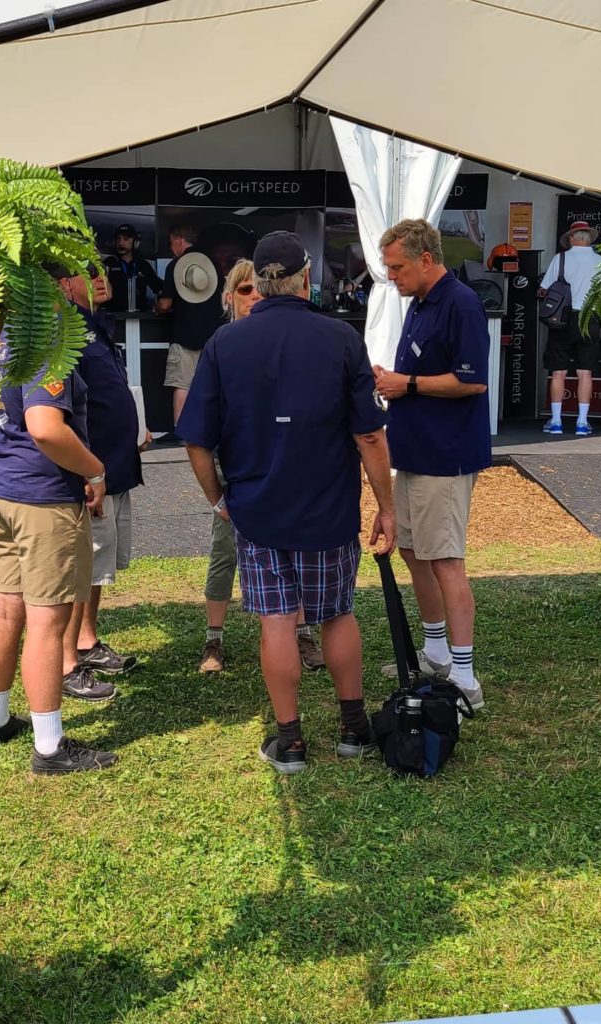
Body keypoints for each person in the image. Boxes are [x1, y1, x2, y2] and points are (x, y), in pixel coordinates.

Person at [178, 231, 396, 774]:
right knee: (337, 614)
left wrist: (218, 500)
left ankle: (290, 742)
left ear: (260, 280)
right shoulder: (340, 338)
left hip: (257, 511)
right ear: (305, 278)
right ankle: (353, 729)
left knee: (276, 621)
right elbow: (370, 435)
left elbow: (196, 440)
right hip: (329, 509)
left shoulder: (225, 344)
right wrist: (387, 506)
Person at [0, 317, 118, 775]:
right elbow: (45, 428)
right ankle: (49, 747)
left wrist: (4, 452)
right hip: (43, 500)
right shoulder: (45, 339)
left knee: (6, 607)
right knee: (47, 620)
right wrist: (95, 470)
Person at [373, 218, 490, 711]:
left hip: (445, 456)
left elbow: (473, 380)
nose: (391, 276)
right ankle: (437, 651)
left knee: (444, 559)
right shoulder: (420, 302)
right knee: (413, 551)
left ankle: (464, 678)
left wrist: (407, 384)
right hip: (415, 452)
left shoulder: (461, 303)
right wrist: (395, 381)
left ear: (425, 259)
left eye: (397, 267)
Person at [198, 259, 325, 675]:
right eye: (243, 290)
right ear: (228, 298)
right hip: (238, 470)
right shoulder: (221, 346)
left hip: (289, 466)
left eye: (257, 288)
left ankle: (301, 633)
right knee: (225, 551)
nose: (252, 296)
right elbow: (203, 422)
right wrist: (216, 492)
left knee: (295, 550)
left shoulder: (284, 340)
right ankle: (213, 640)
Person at [56, 263, 150, 683]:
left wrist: (136, 424)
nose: (100, 277)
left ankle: (86, 640)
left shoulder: (96, 324)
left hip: (116, 466)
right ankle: (68, 657)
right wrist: (84, 470)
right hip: (92, 473)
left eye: (102, 270)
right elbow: (63, 410)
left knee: (99, 566)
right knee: (83, 565)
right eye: (87, 271)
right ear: (65, 285)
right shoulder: (65, 331)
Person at [537, 220, 601, 436]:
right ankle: (582, 423)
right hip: (589, 318)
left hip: (562, 319)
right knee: (585, 372)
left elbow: (544, 288)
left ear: (571, 238)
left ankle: (556, 421)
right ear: (589, 239)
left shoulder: (560, 259)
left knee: (558, 372)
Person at [157, 236, 226, 431]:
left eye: (171, 244)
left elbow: (165, 304)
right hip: (213, 336)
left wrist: (157, 307)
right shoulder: (214, 265)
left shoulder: (177, 265)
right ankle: (212, 429)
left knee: (182, 384)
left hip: (185, 335)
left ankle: (181, 430)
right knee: (213, 386)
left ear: (178, 241)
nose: (171, 249)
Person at [104, 223, 162, 313]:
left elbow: (158, 287)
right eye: (118, 239)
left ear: (136, 243)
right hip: (114, 316)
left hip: (140, 316)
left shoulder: (143, 265)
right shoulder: (109, 263)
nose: (121, 242)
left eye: (126, 239)